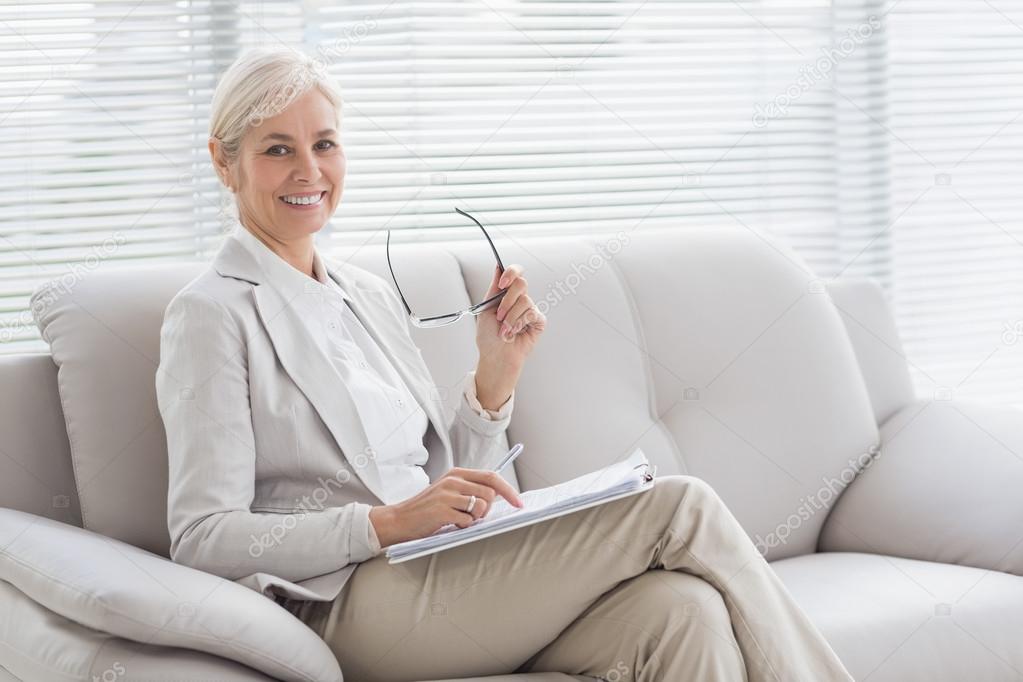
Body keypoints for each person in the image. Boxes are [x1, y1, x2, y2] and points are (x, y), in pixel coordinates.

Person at [155, 46, 855, 682]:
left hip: (440, 570)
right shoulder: (212, 314)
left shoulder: (364, 296)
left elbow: (445, 482)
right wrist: (381, 526)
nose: (309, 171)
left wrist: (495, 376)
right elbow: (202, 538)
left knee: (682, 612)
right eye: (278, 149)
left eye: (325, 144)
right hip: (347, 603)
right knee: (680, 505)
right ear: (224, 162)